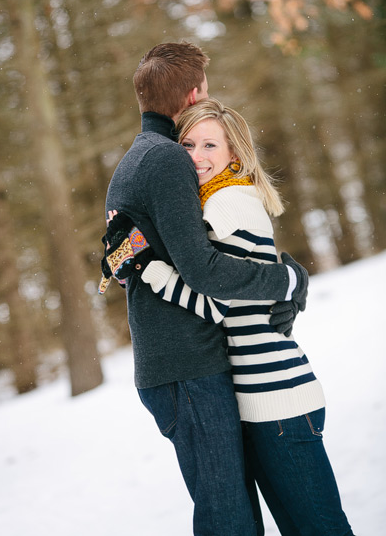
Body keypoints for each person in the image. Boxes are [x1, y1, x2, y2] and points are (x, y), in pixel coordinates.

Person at [101, 42, 310, 536]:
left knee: (234, 514)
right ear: (194, 95)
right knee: (228, 520)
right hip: (187, 369)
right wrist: (287, 281)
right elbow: (203, 269)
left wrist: (284, 286)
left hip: (177, 367)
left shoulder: (133, 162)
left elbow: (129, 258)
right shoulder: (168, 159)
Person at [130, 98, 353, 536]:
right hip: (263, 401)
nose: (196, 156)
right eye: (187, 144)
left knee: (321, 528)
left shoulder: (226, 205)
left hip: (279, 400)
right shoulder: (221, 200)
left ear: (234, 153)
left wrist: (149, 270)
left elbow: (213, 304)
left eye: (210, 145)